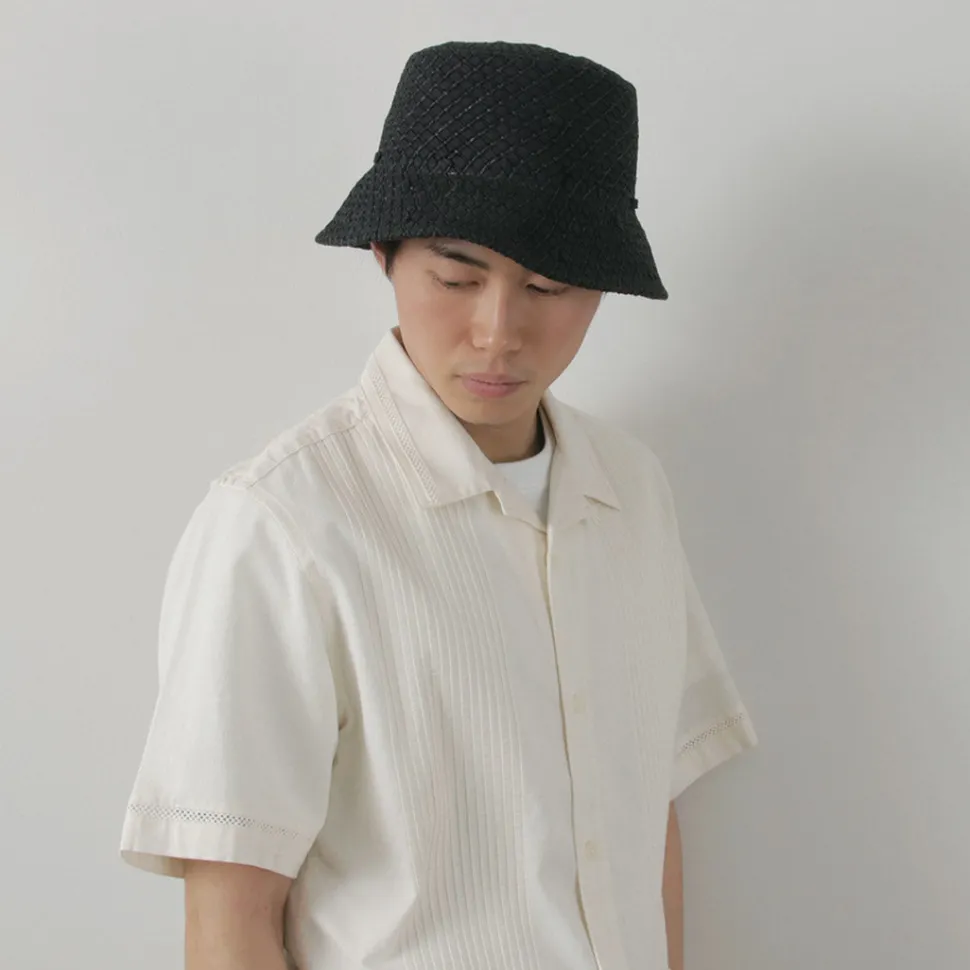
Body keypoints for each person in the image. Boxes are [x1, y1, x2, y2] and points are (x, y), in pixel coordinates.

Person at [119, 40, 758, 970]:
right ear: (384, 254)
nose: (498, 331)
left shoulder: (632, 491)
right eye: (457, 277)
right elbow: (230, 916)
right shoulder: (282, 522)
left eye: (549, 285)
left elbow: (643, 814)